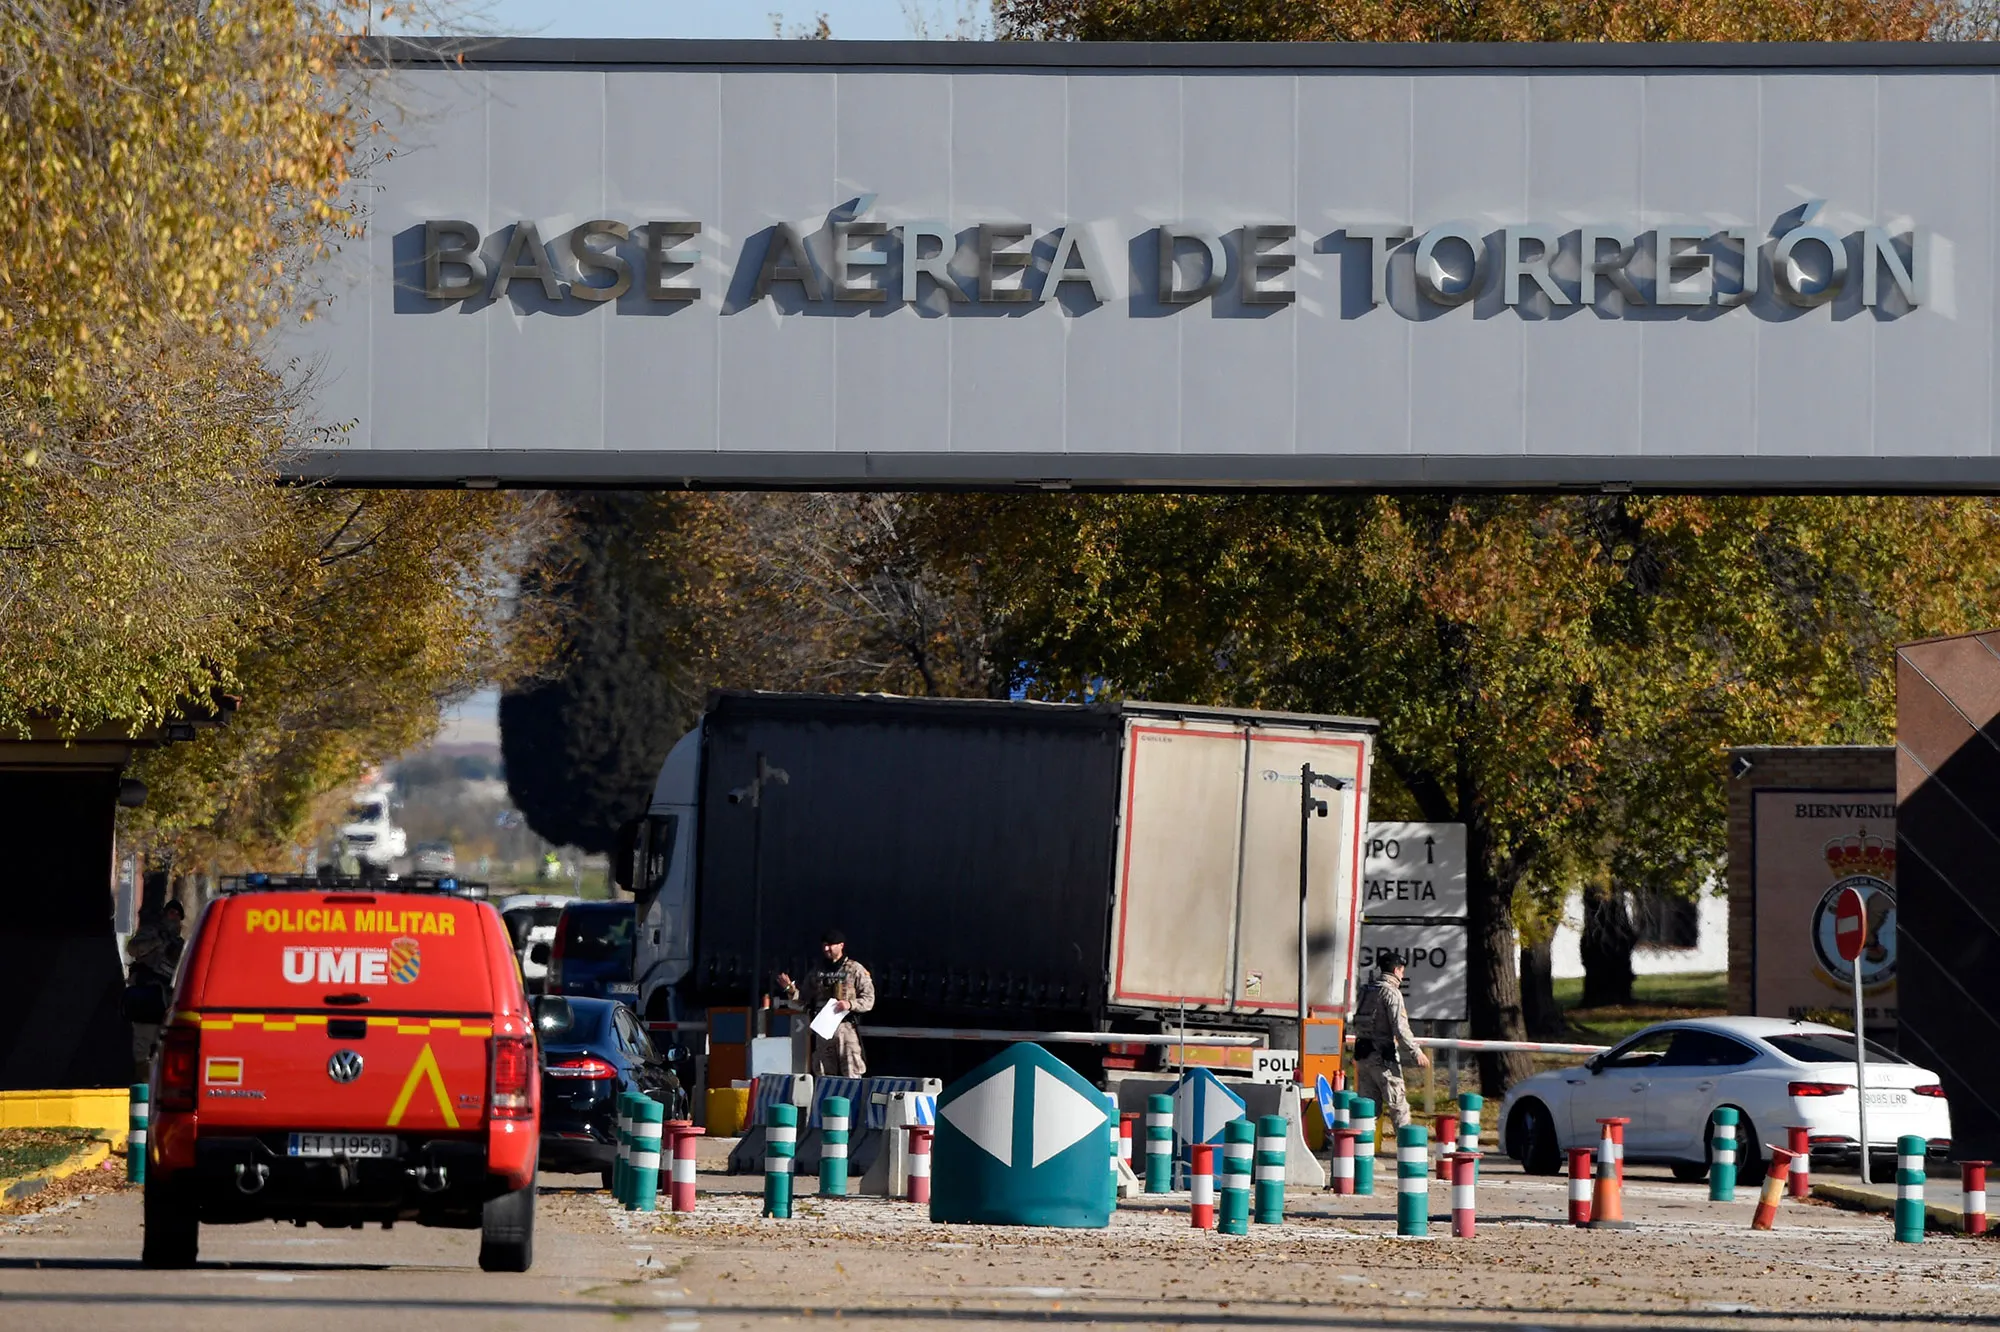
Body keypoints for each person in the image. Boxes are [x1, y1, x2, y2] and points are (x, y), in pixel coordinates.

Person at [776, 929, 875, 1077]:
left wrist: (850, 1004)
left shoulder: (855, 969)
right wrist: (790, 989)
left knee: (851, 1071)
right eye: (824, 945)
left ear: (841, 945)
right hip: (824, 1030)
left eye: (831, 945)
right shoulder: (817, 971)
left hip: (845, 1028)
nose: (826, 949)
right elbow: (803, 1001)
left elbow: (869, 999)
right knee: (824, 1073)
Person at [1352, 952, 1429, 1129]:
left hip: (1363, 1057)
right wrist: (1416, 1052)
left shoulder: (1367, 991)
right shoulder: (1391, 993)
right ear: (1396, 970)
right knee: (1399, 1107)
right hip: (1383, 1059)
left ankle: (1358, 1152)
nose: (1402, 975)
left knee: (1367, 1110)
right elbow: (1400, 1029)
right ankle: (1408, 1153)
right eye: (1402, 971)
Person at [126, 899, 187, 1076]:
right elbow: (133, 949)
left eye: (177, 914)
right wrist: (157, 942)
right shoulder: (151, 932)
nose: (173, 916)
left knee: (165, 1043)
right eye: (171, 912)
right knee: (142, 1043)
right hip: (146, 992)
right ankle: (142, 1082)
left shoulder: (181, 944)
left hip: (168, 997)